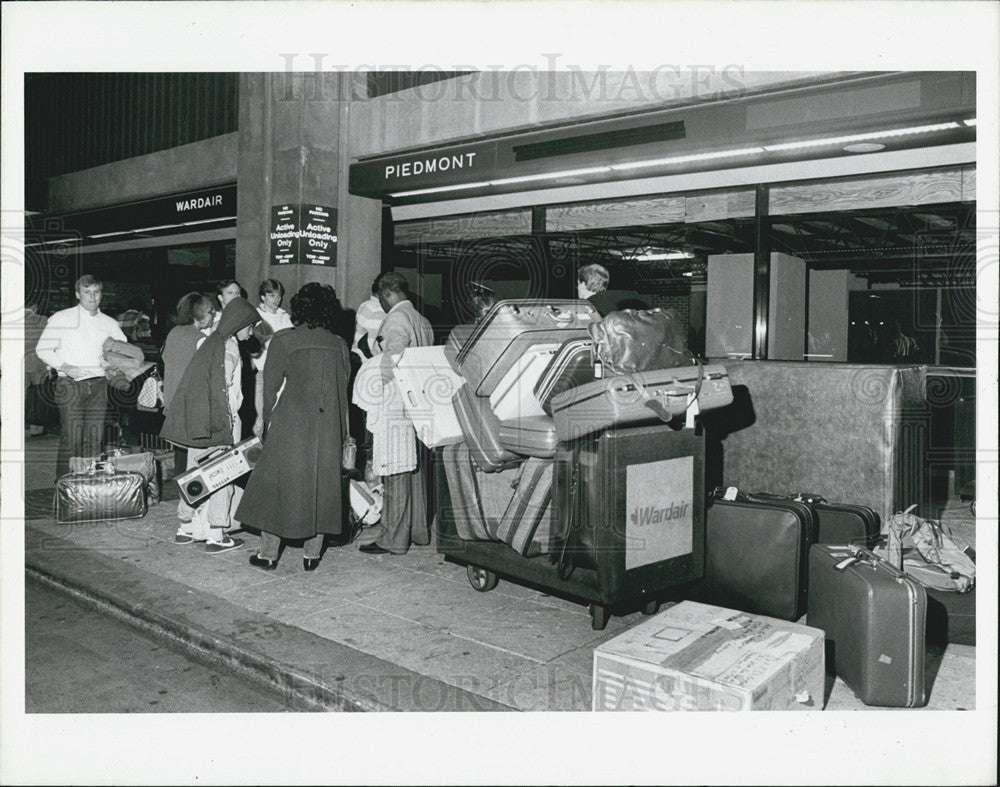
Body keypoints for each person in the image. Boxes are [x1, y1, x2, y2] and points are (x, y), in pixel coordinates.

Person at [237, 283, 351, 571]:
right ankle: (311, 556)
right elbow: (343, 386)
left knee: (275, 484)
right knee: (322, 486)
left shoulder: (285, 340)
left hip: (290, 422)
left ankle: (268, 554)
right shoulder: (338, 343)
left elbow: (271, 385)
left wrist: (263, 420)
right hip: (328, 425)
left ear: (299, 308)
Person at [160, 297, 260, 552]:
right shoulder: (230, 346)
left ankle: (185, 526)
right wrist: (224, 416)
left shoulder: (209, 340)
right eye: (250, 324)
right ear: (240, 323)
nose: (252, 329)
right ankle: (217, 533)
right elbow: (223, 379)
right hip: (221, 419)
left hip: (200, 419)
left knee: (195, 472)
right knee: (223, 474)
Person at [357, 271, 434, 556]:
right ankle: (418, 530)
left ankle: (393, 538)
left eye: (382, 299)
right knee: (414, 469)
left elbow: (394, 358)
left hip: (397, 403)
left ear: (389, 293)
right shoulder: (422, 320)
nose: (382, 306)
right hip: (419, 402)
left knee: (396, 469)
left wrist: (373, 381)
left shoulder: (397, 318)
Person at [35, 275, 128, 479]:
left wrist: (112, 363)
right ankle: (65, 485)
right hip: (70, 385)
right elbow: (42, 349)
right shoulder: (61, 318)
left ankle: (89, 487)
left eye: (96, 292)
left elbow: (122, 353)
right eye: (87, 292)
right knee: (72, 438)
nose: (92, 297)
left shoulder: (110, 323)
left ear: (101, 294)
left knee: (95, 439)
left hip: (99, 385)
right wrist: (64, 366)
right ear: (78, 294)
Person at [251, 279, 294, 438]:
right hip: (264, 372)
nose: (276, 299)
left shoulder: (285, 316)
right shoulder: (255, 316)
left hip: (284, 373)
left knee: (279, 415)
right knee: (261, 418)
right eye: (271, 295)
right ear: (262, 297)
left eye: (279, 295)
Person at [351, 274, 388, 362]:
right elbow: (375, 348)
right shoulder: (379, 310)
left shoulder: (365, 305)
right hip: (369, 363)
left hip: (359, 360)